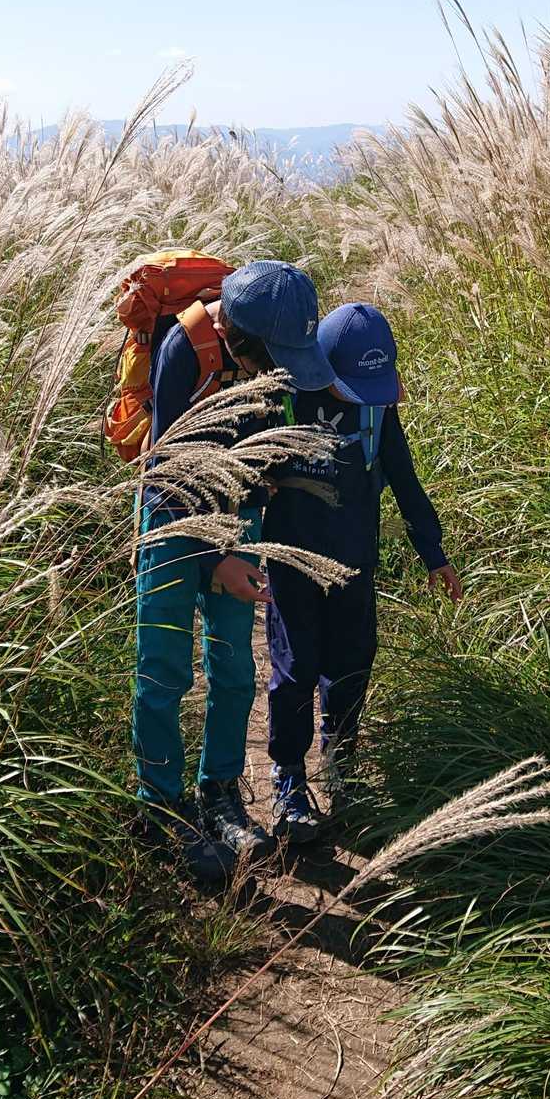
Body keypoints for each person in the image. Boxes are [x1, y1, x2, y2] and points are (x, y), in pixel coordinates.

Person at [134, 258, 334, 883]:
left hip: (239, 515)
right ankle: (160, 806)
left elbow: (264, 452)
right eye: (268, 358)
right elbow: (168, 468)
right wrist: (214, 558)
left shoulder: (277, 357)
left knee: (234, 668)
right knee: (164, 666)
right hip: (172, 515)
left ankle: (218, 792)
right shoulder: (185, 347)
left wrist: (244, 540)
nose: (278, 371)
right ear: (236, 337)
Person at [263, 301, 463, 845]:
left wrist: (433, 553)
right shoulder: (285, 399)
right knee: (295, 667)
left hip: (355, 561)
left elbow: (404, 478)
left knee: (352, 663)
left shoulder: (377, 411)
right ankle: (288, 777)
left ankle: (341, 760)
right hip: (291, 562)